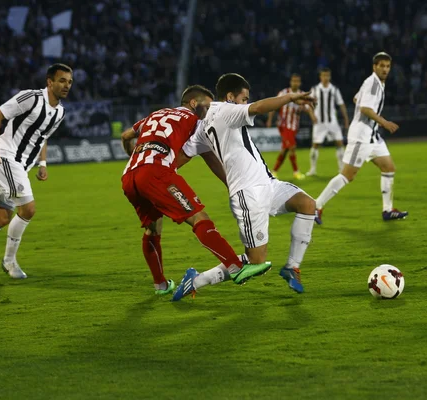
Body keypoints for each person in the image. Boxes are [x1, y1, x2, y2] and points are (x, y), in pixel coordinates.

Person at [172, 73, 317, 301]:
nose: (245, 103)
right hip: (248, 195)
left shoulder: (203, 127)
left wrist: (155, 165)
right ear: (230, 97)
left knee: (308, 205)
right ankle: (196, 280)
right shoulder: (224, 110)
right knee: (256, 261)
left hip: (268, 184)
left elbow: (183, 155)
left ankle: (292, 267)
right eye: (243, 98)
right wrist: (290, 97)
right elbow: (258, 108)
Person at [120, 85, 271, 296]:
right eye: (207, 106)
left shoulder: (155, 114)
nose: (210, 111)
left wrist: (134, 158)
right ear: (193, 103)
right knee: (199, 217)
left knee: (153, 228)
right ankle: (236, 267)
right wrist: (232, 184)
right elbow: (209, 156)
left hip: (129, 177)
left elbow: (126, 136)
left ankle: (161, 286)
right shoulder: (194, 120)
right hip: (155, 172)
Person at [0, 64, 72, 281]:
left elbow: (42, 137)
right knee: (28, 209)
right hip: (5, 156)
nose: (66, 85)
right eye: (62, 80)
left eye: (70, 82)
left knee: (2, 215)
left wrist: (42, 163)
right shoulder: (31, 97)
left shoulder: (60, 112)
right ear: (49, 82)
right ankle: (9, 261)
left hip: (22, 165)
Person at [314, 52, 408, 224]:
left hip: (372, 137)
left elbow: (356, 98)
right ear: (375, 67)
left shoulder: (374, 82)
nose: (385, 69)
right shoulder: (373, 84)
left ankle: (387, 210)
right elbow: (365, 108)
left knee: (388, 167)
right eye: (382, 66)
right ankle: (316, 206)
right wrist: (384, 122)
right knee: (347, 176)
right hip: (361, 136)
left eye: (387, 66)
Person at [266, 73, 316, 180]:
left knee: (285, 149)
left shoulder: (302, 94)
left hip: (294, 126)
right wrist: (270, 120)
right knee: (292, 147)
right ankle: (296, 172)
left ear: (300, 82)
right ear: (290, 82)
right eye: (294, 81)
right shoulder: (284, 93)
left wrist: (313, 118)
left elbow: (308, 108)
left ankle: (273, 171)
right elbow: (274, 106)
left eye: (297, 81)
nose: (295, 83)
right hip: (284, 125)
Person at [307, 67, 350, 176]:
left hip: (332, 122)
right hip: (319, 122)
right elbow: (308, 104)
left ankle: (341, 169)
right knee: (315, 145)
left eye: (327, 75)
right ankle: (312, 169)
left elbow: (341, 104)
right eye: (324, 75)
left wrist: (346, 119)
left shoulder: (334, 89)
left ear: (330, 76)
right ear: (320, 76)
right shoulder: (315, 89)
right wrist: (312, 116)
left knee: (340, 143)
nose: (326, 78)